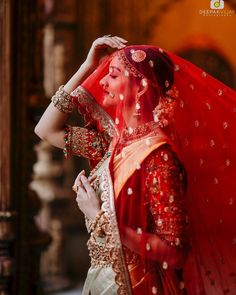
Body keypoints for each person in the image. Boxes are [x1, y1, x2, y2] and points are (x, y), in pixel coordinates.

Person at [35, 36, 236, 295]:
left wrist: (99, 218)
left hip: (135, 285)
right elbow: (45, 128)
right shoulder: (110, 143)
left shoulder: (157, 157)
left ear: (140, 87)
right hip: (99, 281)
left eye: (113, 75)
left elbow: (174, 251)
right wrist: (86, 65)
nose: (102, 82)